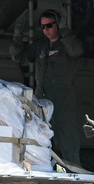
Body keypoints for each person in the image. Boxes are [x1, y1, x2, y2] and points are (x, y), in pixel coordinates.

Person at [10, 9, 84, 168]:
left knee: (67, 137)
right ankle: (48, 182)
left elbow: (77, 50)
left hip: (62, 98)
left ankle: (75, 181)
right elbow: (19, 57)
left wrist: (65, 31)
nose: (46, 30)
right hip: (41, 98)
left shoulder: (67, 44)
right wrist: (17, 35)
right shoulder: (40, 46)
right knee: (41, 138)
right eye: (42, 27)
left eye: (49, 25)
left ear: (58, 25)